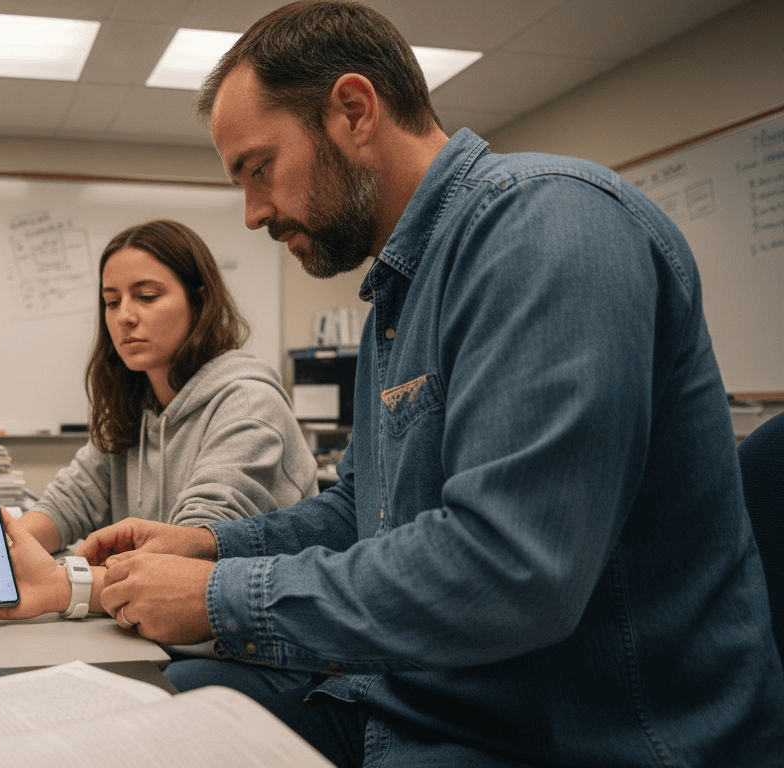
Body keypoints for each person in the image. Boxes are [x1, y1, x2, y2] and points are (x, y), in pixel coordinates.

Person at [79, 2, 784, 766]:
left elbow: (511, 571)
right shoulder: (400, 294)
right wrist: (210, 546)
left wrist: (218, 596)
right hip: (421, 701)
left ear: (354, 111)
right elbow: (362, 510)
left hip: (574, 737)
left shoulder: (548, 229)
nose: (253, 213)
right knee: (129, 718)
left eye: (259, 168)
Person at [0, 219, 317, 622]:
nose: (125, 317)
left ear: (199, 301)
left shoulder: (249, 405)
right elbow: (70, 502)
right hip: (152, 627)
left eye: (147, 296)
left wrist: (56, 583)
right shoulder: (136, 402)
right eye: (112, 301)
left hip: (243, 639)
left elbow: (189, 563)